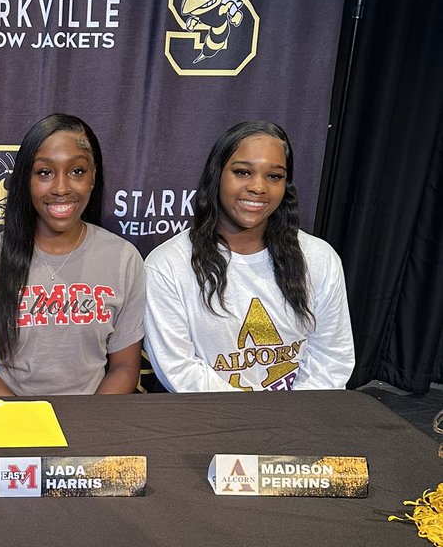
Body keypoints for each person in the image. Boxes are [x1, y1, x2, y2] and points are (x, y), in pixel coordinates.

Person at [143, 120, 354, 392]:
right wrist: (253, 422)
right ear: (217, 175)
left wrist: (293, 420)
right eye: (243, 172)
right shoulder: (167, 266)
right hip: (214, 422)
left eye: (274, 176)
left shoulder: (320, 258)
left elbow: (332, 358)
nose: (258, 187)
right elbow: (179, 369)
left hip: (301, 420)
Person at [0, 113, 145, 396]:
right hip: (13, 424)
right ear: (25, 180)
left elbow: (125, 367)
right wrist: (29, 422)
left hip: (92, 423)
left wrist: (88, 426)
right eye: (44, 172)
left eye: (77, 171)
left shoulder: (123, 259)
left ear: (93, 177)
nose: (61, 188)